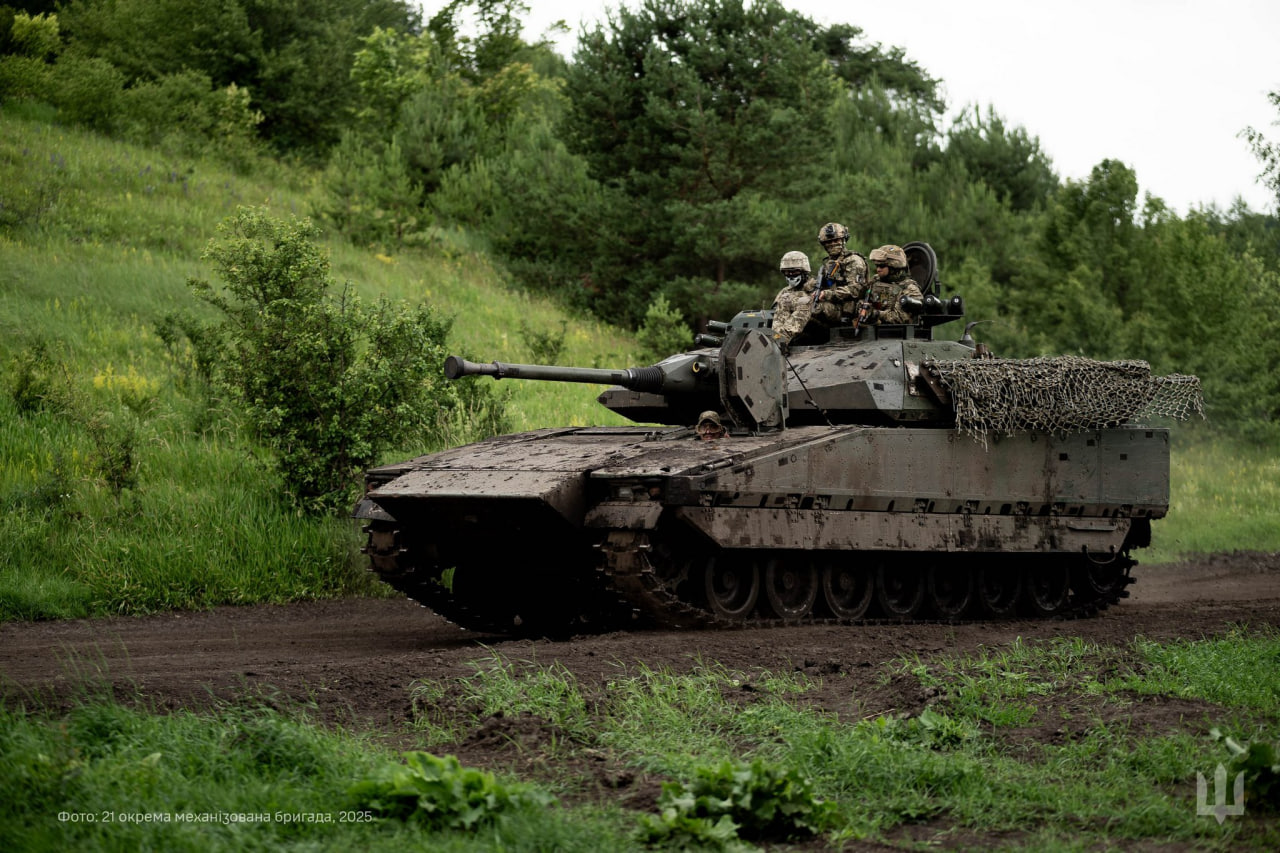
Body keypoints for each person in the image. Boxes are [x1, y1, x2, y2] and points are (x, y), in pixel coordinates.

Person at [811, 223, 868, 326]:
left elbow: (856, 289)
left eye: (836, 240)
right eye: (828, 242)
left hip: (848, 311)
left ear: (844, 240)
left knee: (809, 308)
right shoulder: (829, 263)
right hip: (833, 305)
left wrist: (826, 294)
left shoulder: (854, 261)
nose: (832, 244)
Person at [861, 244, 924, 325]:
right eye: (877, 266)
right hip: (873, 332)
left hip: (898, 335)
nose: (878, 269)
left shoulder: (910, 289)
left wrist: (876, 314)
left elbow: (900, 318)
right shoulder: (875, 281)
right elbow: (863, 297)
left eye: (882, 266)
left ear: (893, 266)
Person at [769, 250, 817, 352]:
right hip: (791, 336)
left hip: (815, 327)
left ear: (804, 271)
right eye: (787, 272)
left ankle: (781, 340)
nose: (791, 275)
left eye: (795, 271)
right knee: (784, 301)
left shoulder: (815, 287)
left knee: (804, 301)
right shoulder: (785, 292)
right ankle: (777, 340)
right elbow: (776, 314)